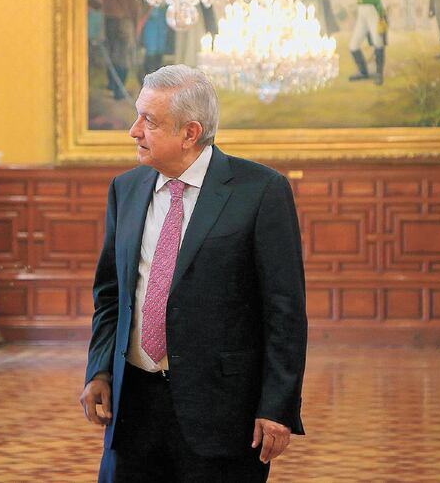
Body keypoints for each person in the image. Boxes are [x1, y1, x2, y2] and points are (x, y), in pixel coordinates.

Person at [79, 65, 307, 482]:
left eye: (149, 121)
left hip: (222, 414)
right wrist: (99, 368)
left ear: (190, 132)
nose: (134, 130)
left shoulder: (261, 191)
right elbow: (110, 293)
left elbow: (284, 312)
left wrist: (277, 407)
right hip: (133, 410)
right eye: (137, 115)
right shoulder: (125, 189)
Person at [341, 0, 406, 85]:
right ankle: (364, 72)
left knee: (378, 42)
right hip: (362, 13)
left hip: (374, 12)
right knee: (353, 45)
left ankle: (379, 74)